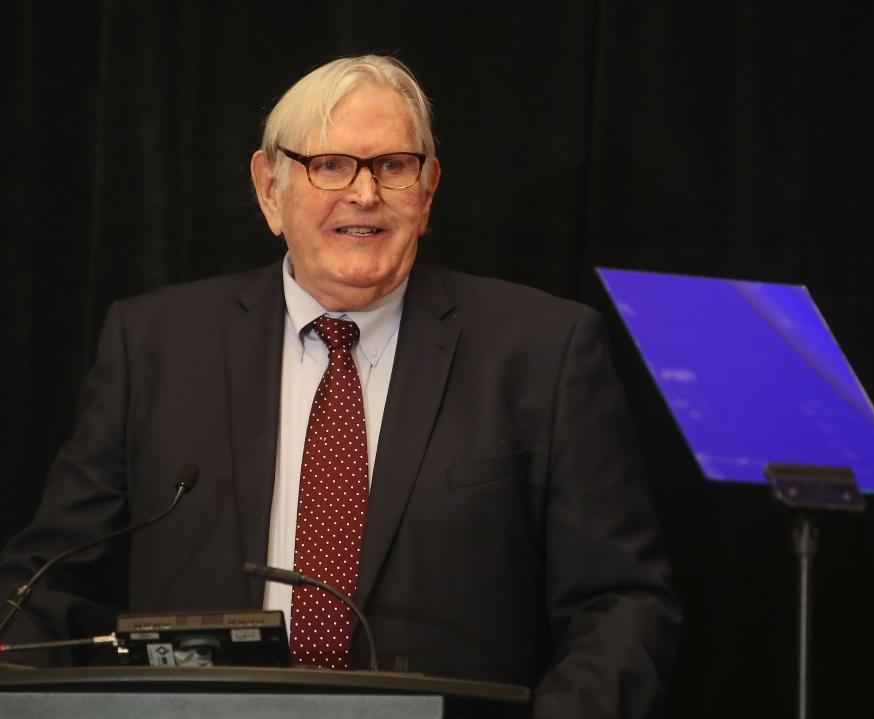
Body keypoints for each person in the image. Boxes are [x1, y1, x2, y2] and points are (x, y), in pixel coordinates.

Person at [0, 55, 681, 717]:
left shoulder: (542, 350)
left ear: (428, 188)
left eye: (393, 166)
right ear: (271, 189)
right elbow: (51, 583)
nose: (365, 193)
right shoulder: (155, 344)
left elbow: (620, 604)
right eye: (329, 165)